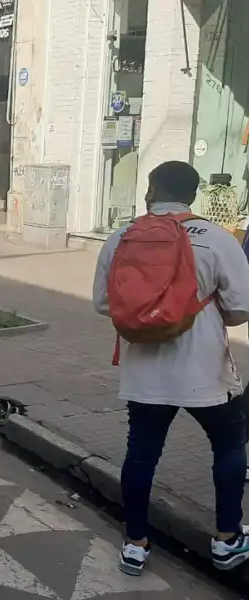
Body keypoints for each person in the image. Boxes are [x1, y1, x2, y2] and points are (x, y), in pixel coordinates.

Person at [93, 160, 249, 576]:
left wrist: (149, 316)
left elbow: (104, 305)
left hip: (144, 374)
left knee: (141, 455)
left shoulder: (122, 236)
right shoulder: (219, 239)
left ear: (152, 189)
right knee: (230, 445)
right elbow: (240, 310)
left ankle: (135, 543)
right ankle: (227, 539)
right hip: (205, 373)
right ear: (194, 194)